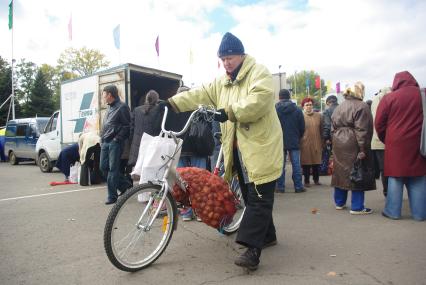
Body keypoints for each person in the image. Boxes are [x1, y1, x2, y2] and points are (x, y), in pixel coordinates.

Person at [163, 32, 283, 271]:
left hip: (261, 147)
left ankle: (252, 250)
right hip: (237, 149)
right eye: (223, 58)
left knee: (259, 196)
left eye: (231, 56)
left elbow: (259, 100)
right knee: (250, 196)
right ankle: (268, 235)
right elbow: (199, 93)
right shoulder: (222, 82)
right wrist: (172, 103)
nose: (227, 62)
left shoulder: (259, 73)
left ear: (242, 55)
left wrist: (227, 112)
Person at [375, 71, 426, 221]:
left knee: (395, 178)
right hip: (419, 143)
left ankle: (393, 211)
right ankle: (419, 213)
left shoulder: (389, 98)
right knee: (418, 177)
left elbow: (379, 123)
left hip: (395, 145)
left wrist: (387, 139)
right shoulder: (422, 95)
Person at [165, 85, 214, 221]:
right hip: (198, 149)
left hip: (179, 149)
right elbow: (208, 127)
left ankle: (186, 212)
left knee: (181, 182)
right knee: (199, 181)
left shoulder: (171, 110)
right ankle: (199, 211)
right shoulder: (198, 108)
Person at [331, 82, 376, 214]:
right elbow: (363, 130)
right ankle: (357, 207)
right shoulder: (362, 106)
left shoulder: (339, 106)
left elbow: (333, 128)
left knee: (340, 171)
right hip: (353, 142)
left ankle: (339, 202)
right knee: (357, 171)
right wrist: (363, 149)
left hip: (339, 141)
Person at [100, 85, 131, 205]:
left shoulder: (122, 107)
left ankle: (112, 196)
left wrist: (117, 139)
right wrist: (102, 139)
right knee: (103, 167)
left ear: (110, 95)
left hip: (115, 143)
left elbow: (127, 126)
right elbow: (107, 125)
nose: (103, 97)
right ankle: (125, 185)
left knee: (113, 169)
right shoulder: (109, 108)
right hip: (105, 142)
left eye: (104, 94)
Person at [275, 89, 305, 193]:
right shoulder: (297, 110)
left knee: (280, 165)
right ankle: (298, 186)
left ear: (279, 97)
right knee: (296, 164)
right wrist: (298, 136)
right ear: (289, 96)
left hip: (279, 141)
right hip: (294, 140)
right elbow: (302, 127)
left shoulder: (275, 109)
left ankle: (280, 187)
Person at [128, 90, 163, 168]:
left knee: (138, 169)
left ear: (146, 99)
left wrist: (132, 142)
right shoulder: (160, 111)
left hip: (138, 144)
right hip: (154, 144)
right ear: (157, 99)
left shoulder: (136, 110)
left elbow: (131, 128)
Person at [371, 87, 391, 197]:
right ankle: (389, 192)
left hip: (376, 140)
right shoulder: (389, 98)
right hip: (386, 139)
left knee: (384, 169)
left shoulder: (375, 100)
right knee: (390, 169)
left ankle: (387, 192)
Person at [300, 98, 323, 187]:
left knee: (316, 163)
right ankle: (306, 181)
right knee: (306, 163)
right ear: (303, 107)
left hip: (317, 142)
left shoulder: (318, 116)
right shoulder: (301, 116)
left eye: (310, 104)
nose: (309, 106)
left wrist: (323, 141)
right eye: (307, 105)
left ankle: (316, 180)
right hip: (304, 143)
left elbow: (322, 129)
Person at [320, 95, 339, 175]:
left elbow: (327, 126)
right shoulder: (343, 108)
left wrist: (326, 138)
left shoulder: (327, 111)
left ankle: (325, 170)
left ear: (328, 102)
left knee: (329, 154)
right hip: (345, 136)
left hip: (332, 136)